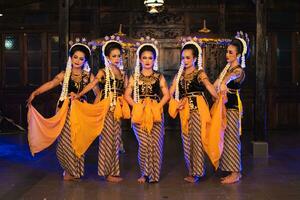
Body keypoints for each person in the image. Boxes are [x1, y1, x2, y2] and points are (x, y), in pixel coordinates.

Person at [27, 39, 100, 181]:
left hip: (80, 112)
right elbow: (51, 83)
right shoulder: (64, 74)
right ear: (70, 58)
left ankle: (75, 171)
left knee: (78, 141)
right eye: (75, 57)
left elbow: (98, 93)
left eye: (81, 58)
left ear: (85, 60)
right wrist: (35, 92)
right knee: (64, 143)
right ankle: (68, 170)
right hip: (64, 111)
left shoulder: (88, 76)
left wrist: (91, 108)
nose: (78, 61)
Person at [75, 38, 130, 183]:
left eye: (119, 56)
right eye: (114, 56)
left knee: (116, 140)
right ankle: (107, 172)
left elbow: (126, 92)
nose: (117, 58)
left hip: (117, 109)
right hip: (105, 108)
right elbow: (92, 85)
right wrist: (79, 95)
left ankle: (113, 171)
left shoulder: (123, 73)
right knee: (106, 141)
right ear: (107, 57)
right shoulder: (103, 72)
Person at [169, 39, 218, 183]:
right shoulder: (180, 75)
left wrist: (217, 96)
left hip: (197, 110)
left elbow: (208, 86)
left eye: (188, 57)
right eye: (183, 58)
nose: (185, 60)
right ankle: (192, 170)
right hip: (185, 111)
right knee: (186, 141)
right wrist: (173, 103)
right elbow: (170, 92)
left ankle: (197, 173)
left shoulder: (199, 73)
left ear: (195, 58)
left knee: (197, 141)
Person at [124, 37, 170, 183]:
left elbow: (167, 95)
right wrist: (137, 106)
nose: (147, 60)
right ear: (140, 59)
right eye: (144, 58)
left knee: (155, 144)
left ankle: (154, 175)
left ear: (154, 59)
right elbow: (127, 95)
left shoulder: (159, 76)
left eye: (150, 58)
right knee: (144, 144)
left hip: (155, 112)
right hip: (140, 113)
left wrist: (157, 106)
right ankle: (144, 173)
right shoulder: (134, 76)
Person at [214, 32, 249, 184]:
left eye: (230, 52)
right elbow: (216, 84)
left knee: (232, 140)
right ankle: (231, 171)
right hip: (224, 108)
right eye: (227, 52)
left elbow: (233, 77)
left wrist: (224, 82)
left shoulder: (238, 70)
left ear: (238, 54)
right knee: (225, 139)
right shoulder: (227, 69)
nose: (227, 55)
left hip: (233, 108)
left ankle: (236, 173)